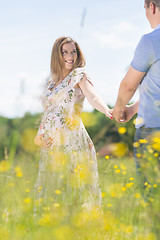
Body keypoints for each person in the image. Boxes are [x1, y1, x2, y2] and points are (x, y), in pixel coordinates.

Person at [34, 36, 112, 215]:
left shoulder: (79, 75)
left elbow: (93, 96)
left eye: (73, 51)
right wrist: (38, 137)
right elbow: (48, 113)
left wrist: (107, 110)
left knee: (76, 189)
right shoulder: (50, 83)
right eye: (65, 52)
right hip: (51, 146)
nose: (70, 56)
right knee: (52, 189)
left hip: (73, 142)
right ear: (57, 55)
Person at [113, 0, 160, 237]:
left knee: (154, 199)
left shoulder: (151, 40)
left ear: (151, 6)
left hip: (154, 132)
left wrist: (119, 107)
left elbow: (128, 84)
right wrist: (133, 109)